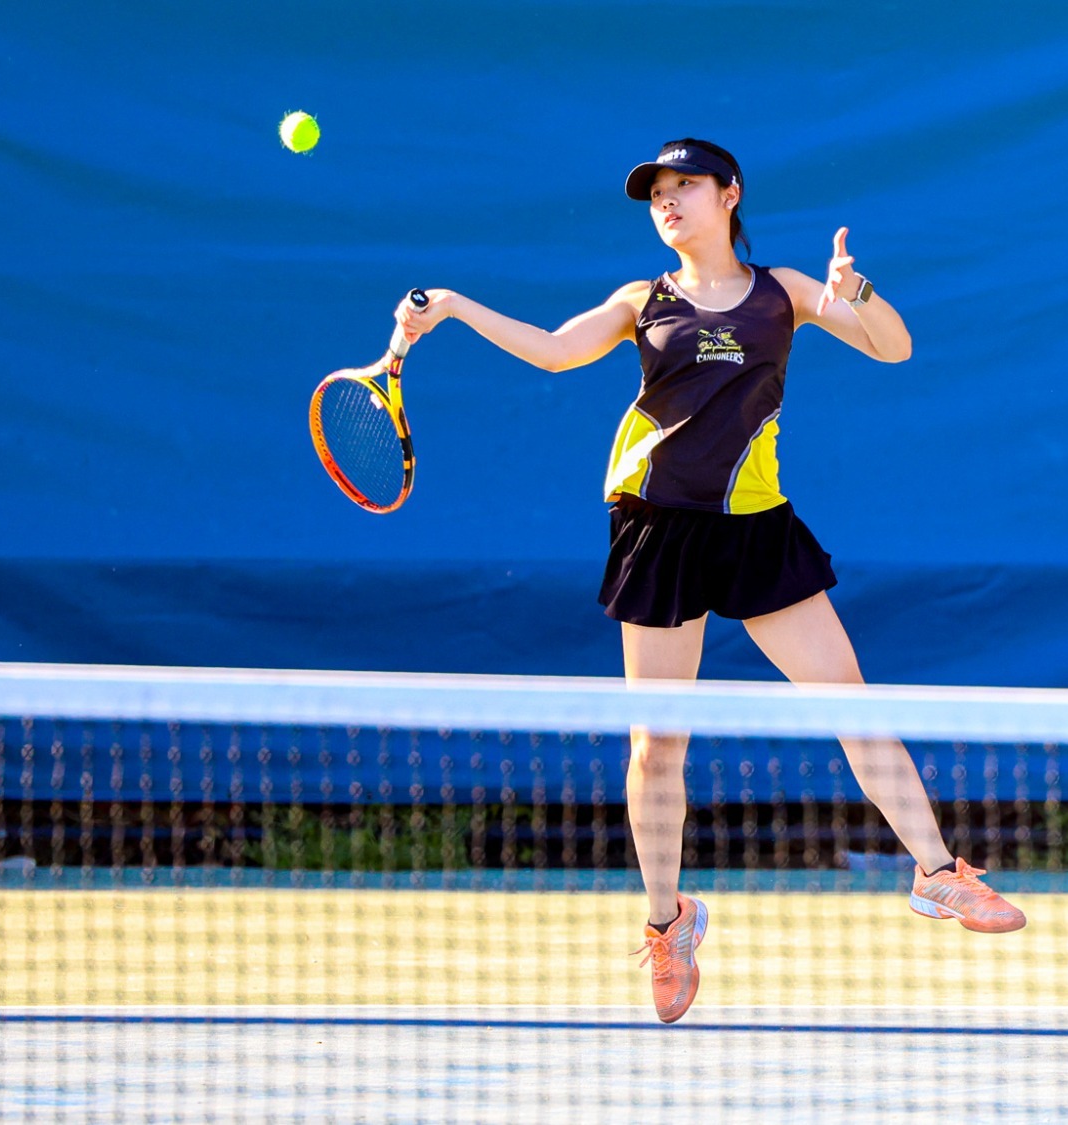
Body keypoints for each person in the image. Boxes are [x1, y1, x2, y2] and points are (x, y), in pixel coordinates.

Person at [393, 139, 1025, 1024]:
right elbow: (549, 350)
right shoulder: (639, 300)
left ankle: (936, 873)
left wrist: (858, 294)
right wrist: (454, 307)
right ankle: (667, 920)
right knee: (658, 744)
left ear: (729, 195)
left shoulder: (787, 292)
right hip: (658, 528)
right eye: (657, 191)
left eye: (684, 185)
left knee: (849, 700)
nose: (668, 200)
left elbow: (895, 348)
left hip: (757, 526)